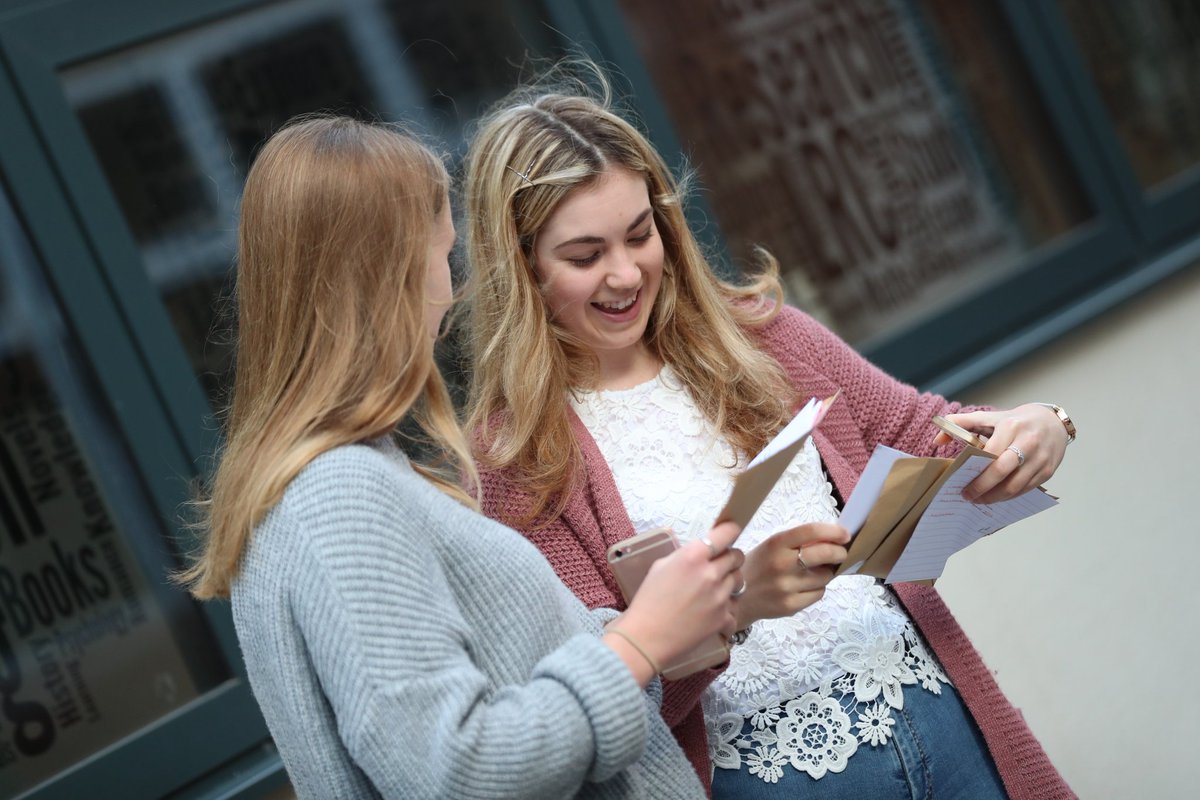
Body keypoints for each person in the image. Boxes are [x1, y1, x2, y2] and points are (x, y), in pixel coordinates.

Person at [462, 65, 1077, 799]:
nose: (626, 274)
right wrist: (740, 603)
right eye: (585, 256)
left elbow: (920, 433)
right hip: (763, 774)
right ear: (520, 268)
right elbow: (586, 695)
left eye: (639, 235)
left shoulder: (768, 337)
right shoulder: (512, 462)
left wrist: (1034, 428)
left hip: (934, 710)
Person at [180, 115, 751, 800]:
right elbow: (454, 770)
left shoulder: (348, 478)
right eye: (441, 257)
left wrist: (653, 626)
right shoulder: (340, 496)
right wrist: (640, 642)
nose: (449, 294)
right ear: (388, 277)